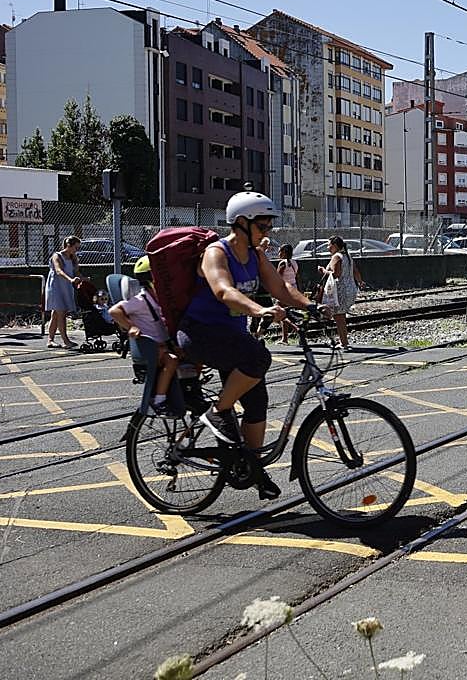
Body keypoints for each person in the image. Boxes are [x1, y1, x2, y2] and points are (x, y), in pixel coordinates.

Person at [176, 192, 313, 499]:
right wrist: (260, 309)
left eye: (268, 228)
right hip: (201, 334)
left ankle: (250, 466)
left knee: (256, 402)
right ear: (241, 223)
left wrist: (312, 305)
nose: (267, 233)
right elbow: (223, 290)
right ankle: (217, 411)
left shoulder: (255, 256)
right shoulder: (216, 253)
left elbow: (281, 288)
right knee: (258, 357)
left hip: (231, 338)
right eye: (262, 227)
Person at [108, 256, 178, 413]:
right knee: (172, 361)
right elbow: (114, 311)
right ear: (151, 279)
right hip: (152, 350)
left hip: (162, 345)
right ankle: (159, 400)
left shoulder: (158, 299)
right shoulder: (140, 300)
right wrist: (131, 327)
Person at [320, 236, 364, 351]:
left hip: (340, 291)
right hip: (350, 289)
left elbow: (335, 274)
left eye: (328, 245)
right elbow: (355, 271)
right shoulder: (348, 256)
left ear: (334, 245)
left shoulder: (336, 257)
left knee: (338, 317)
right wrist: (360, 282)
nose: (327, 247)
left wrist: (323, 271)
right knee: (341, 316)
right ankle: (343, 341)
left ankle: (344, 343)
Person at [45, 236, 82, 349]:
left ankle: (50, 340)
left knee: (55, 314)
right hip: (56, 286)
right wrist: (71, 279)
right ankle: (65, 340)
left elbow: (76, 272)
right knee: (61, 313)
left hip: (66, 287)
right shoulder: (57, 256)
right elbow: (58, 270)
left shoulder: (73, 258)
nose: (77, 250)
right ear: (69, 245)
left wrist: (84, 279)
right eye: (76, 247)